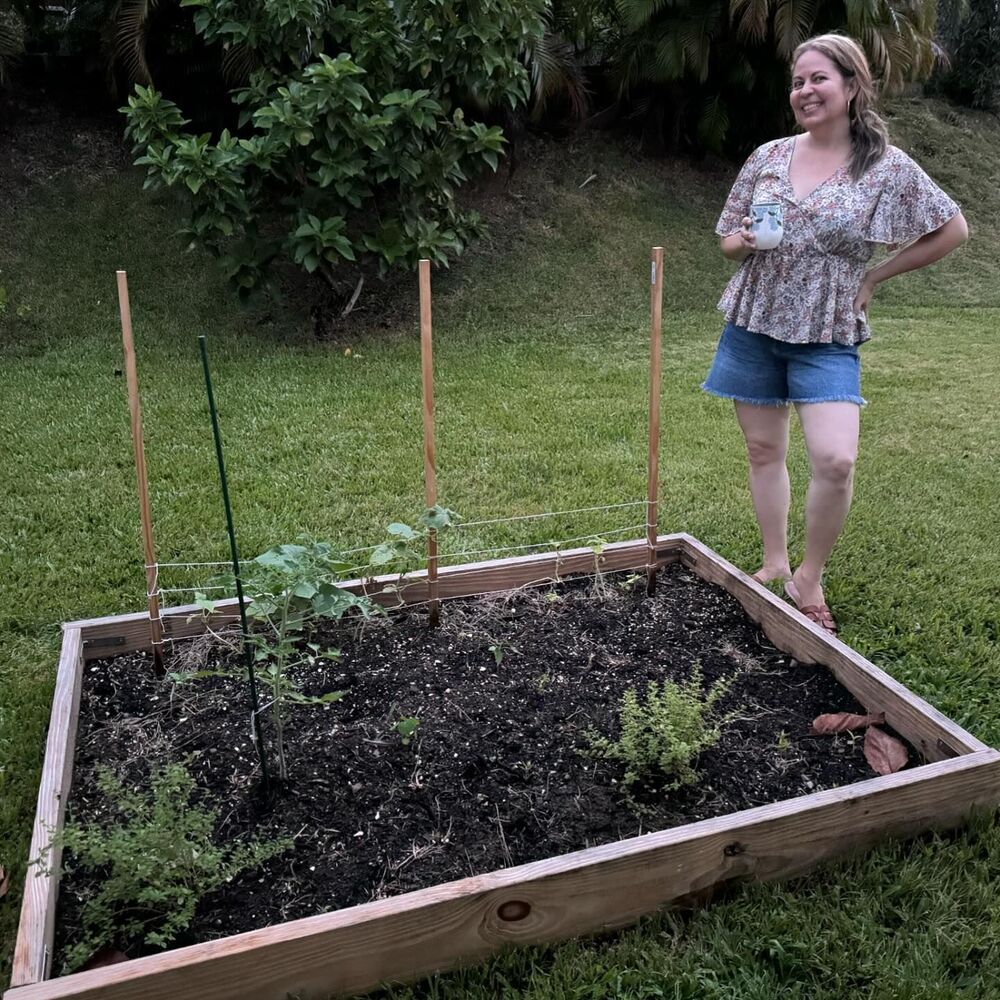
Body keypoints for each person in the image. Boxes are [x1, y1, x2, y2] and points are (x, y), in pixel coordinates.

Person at [703, 32, 968, 634]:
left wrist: (876, 276)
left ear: (852, 86)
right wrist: (740, 241)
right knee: (764, 448)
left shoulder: (883, 165)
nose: (804, 90)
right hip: (755, 319)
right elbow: (724, 238)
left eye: (818, 78)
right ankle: (774, 562)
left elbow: (952, 230)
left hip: (827, 328)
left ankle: (809, 574)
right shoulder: (769, 156)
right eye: (798, 82)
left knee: (835, 457)